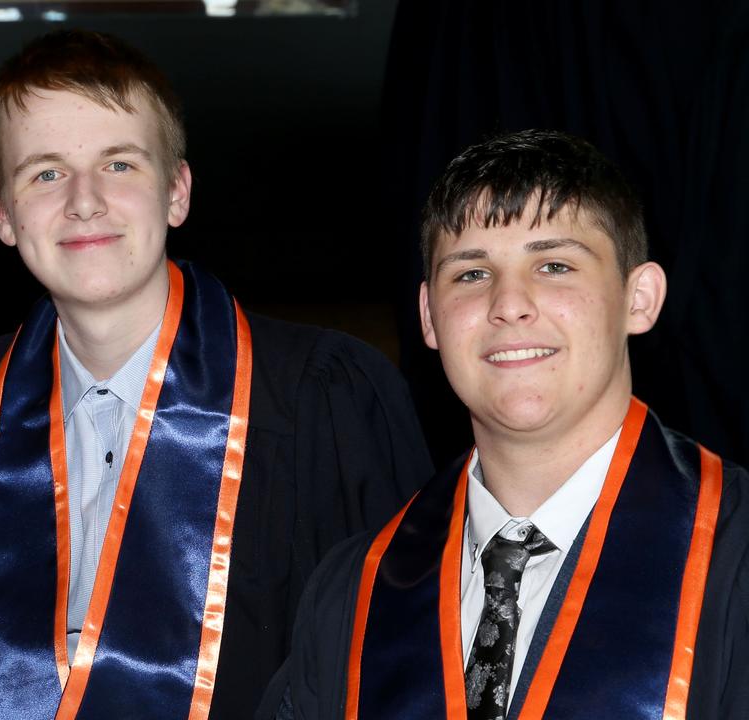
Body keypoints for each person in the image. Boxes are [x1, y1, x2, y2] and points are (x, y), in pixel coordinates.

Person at [0, 29, 431, 719]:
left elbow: (387, 666)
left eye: (120, 165)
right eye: (45, 173)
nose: (83, 201)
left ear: (177, 193)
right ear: (2, 214)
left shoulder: (325, 402)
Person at [260, 129, 749, 719]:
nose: (508, 303)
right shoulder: (351, 594)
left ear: (639, 298)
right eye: (471, 274)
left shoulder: (736, 555)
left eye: (554, 264)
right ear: (429, 318)